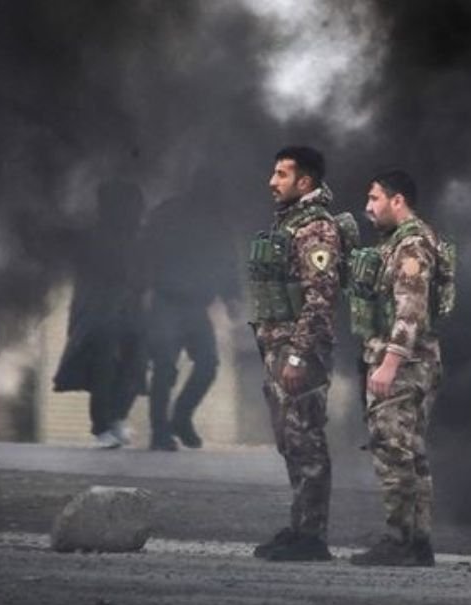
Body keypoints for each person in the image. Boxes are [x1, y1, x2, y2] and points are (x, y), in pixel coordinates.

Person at [248, 146, 343, 562]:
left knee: (306, 439)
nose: (273, 182)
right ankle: (300, 525)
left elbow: (319, 298)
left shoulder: (316, 229)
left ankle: (312, 537)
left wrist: (299, 355)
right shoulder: (290, 224)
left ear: (305, 182)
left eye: (282, 174)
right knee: (291, 440)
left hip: (299, 350)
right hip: (279, 346)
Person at [347, 170, 447, 568]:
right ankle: (416, 541)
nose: (368, 207)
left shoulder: (411, 244)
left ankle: (400, 540)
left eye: (375, 199)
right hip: (413, 362)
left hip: (404, 365)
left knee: (393, 450)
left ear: (397, 200)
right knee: (411, 453)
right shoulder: (401, 241)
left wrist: (388, 363)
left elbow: (410, 311)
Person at [140, 187, 241, 451]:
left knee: (207, 364)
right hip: (167, 302)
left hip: (196, 306)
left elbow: (227, 261)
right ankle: (160, 432)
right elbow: (146, 249)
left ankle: (181, 417)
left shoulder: (216, 221)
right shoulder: (167, 213)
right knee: (164, 367)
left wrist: (231, 297)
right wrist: (142, 290)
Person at [52, 178, 147, 449]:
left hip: (130, 310)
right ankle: (102, 426)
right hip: (100, 309)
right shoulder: (93, 237)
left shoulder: (136, 238)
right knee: (102, 366)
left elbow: (142, 273)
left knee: (136, 363)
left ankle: (116, 417)